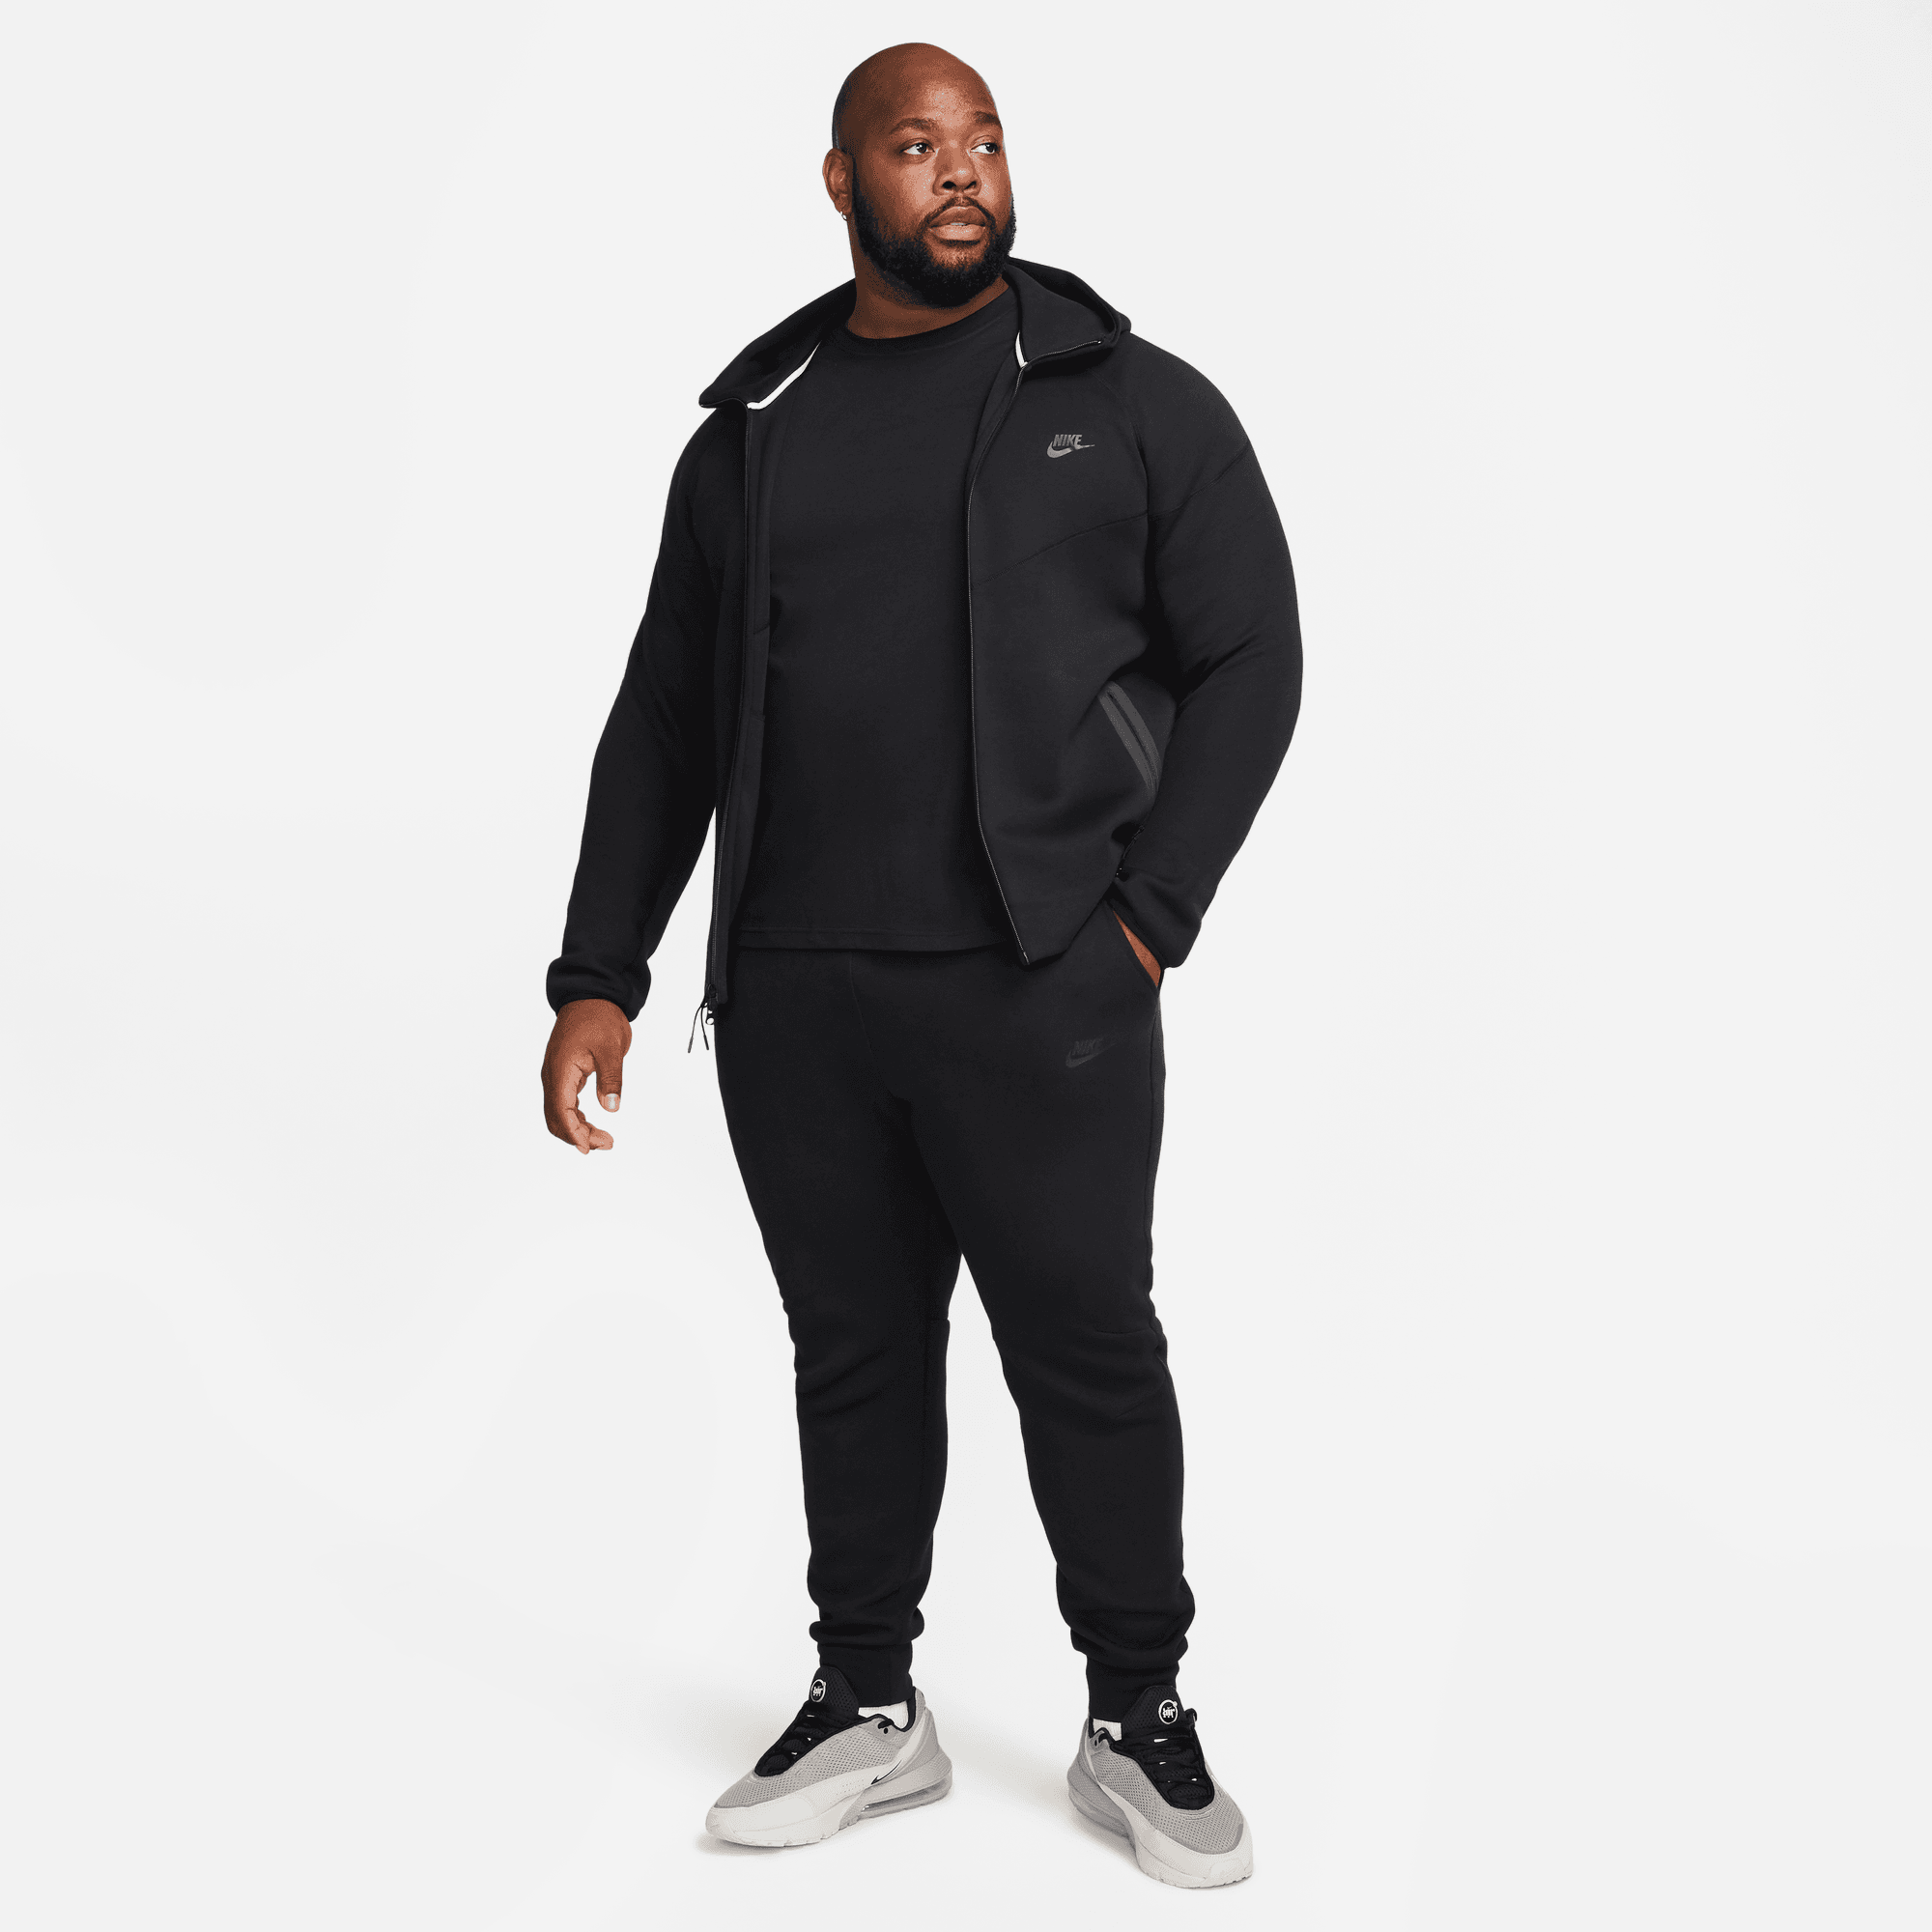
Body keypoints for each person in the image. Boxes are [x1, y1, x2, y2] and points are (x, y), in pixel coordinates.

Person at [540, 42, 1300, 1889]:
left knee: (1086, 1351)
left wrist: (1149, 921)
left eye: (982, 141)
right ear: (843, 181)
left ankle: (1138, 1713)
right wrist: (599, 971)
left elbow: (1253, 657)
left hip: (1042, 982)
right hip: (799, 990)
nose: (959, 171)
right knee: (855, 1353)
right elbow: (663, 715)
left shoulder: (1128, 400)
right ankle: (870, 1701)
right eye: (914, 144)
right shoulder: (755, 430)